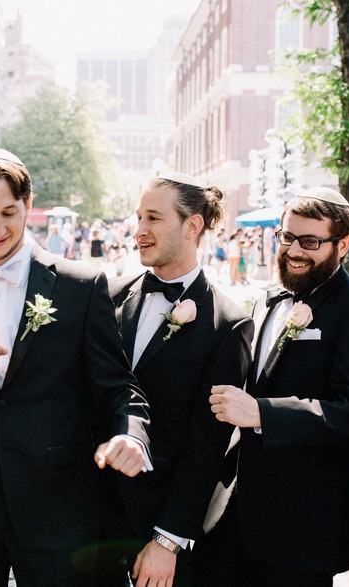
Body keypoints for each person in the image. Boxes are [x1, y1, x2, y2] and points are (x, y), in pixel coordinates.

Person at [0, 148, 151, 585]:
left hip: (57, 506)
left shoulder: (81, 285)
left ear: (28, 207)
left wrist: (131, 436)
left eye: (8, 212)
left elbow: (117, 385)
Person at [192, 189, 349, 586]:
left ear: (343, 244)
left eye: (310, 241)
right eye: (286, 237)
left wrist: (263, 414)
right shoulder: (267, 301)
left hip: (300, 528)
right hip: (231, 516)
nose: (294, 250)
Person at [103, 173, 252, 586]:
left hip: (156, 527)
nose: (139, 231)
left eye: (153, 218)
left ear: (193, 226)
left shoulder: (228, 324)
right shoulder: (108, 297)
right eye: (138, 218)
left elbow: (207, 446)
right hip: (89, 518)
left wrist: (168, 540)